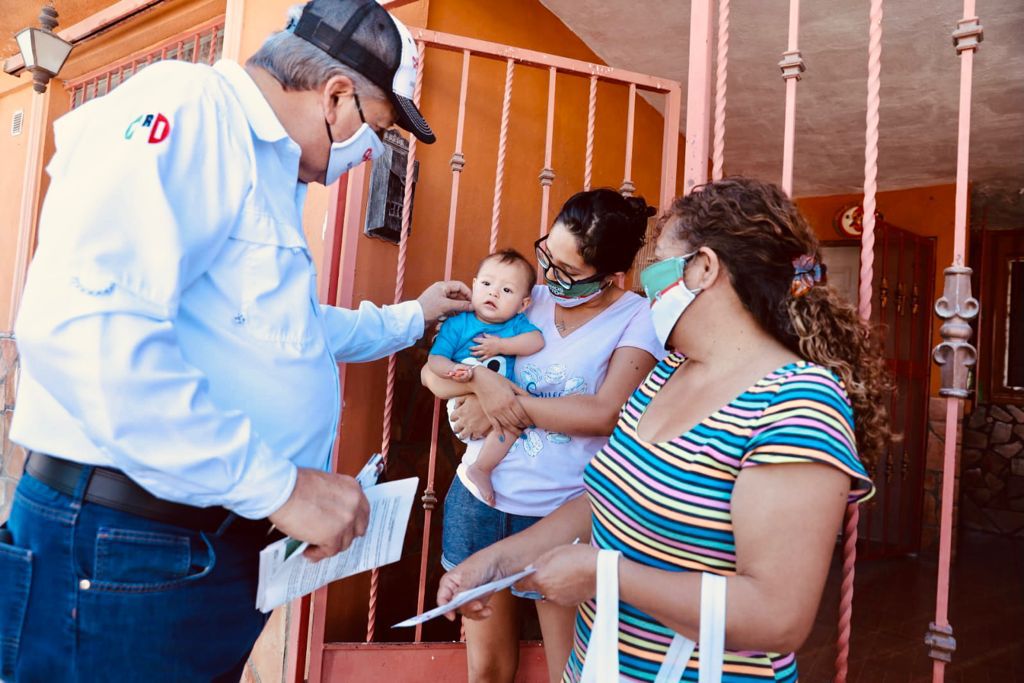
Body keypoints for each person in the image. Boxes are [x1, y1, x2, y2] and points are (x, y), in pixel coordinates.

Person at [0, 2, 473, 681]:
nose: (368, 156)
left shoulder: (265, 170)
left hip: (180, 556)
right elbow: (87, 331)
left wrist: (409, 316)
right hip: (125, 548)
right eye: (377, 132)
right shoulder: (188, 109)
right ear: (336, 97)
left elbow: (284, 330)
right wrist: (280, 487)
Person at [438, 177, 886, 683]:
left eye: (656, 270)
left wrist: (604, 576)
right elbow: (601, 496)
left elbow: (777, 616)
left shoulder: (798, 403)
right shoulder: (666, 376)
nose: (647, 287)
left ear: (703, 270)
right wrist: (496, 562)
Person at [421, 189, 664, 683]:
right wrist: (482, 384)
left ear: (611, 273)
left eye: (568, 272)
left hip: (562, 509)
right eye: (546, 256)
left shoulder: (638, 317)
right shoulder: (523, 297)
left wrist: (503, 403)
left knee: (567, 670)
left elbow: (603, 413)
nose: (551, 276)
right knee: (486, 669)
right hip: (479, 500)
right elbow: (437, 373)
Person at [427, 249, 545, 506]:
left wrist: (502, 346)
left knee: (514, 422)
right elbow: (435, 360)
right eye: (487, 284)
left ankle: (481, 468)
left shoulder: (515, 325)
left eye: (506, 291)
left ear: (523, 304)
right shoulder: (458, 325)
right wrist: (454, 372)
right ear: (474, 286)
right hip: (463, 401)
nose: (493, 292)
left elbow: (536, 341)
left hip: (500, 407)